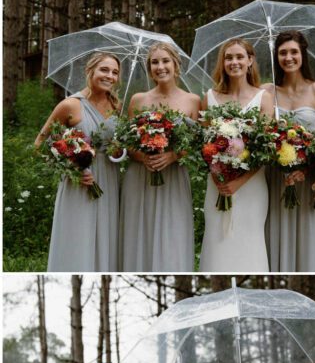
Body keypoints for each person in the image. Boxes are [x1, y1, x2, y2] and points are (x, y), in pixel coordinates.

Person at [36, 52, 121, 272]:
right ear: (89, 70)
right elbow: (40, 143)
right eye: (104, 69)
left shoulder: (116, 106)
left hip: (110, 179)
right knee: (78, 235)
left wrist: (118, 150)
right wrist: (73, 167)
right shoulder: (70, 105)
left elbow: (118, 147)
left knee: (106, 236)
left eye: (115, 72)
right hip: (78, 181)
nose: (110, 76)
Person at [120, 42, 199, 272]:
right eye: (155, 62)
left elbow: (197, 142)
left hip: (173, 177)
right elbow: (127, 141)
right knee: (139, 230)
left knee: (172, 231)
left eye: (165, 61)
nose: (160, 66)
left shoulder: (192, 100)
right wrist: (142, 157)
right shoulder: (138, 100)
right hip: (140, 177)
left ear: (176, 65)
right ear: (149, 68)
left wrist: (173, 155)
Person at [198, 38, 274, 272]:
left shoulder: (264, 98)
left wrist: (239, 181)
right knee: (217, 238)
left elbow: (265, 149)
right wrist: (219, 177)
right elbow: (204, 145)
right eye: (228, 57)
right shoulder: (209, 96)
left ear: (250, 61)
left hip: (251, 184)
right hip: (218, 183)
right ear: (222, 63)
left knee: (249, 242)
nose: (234, 62)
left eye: (239, 57)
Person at [263, 30, 315, 272]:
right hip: (276, 176)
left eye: (294, 52)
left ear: (303, 54)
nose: (288, 57)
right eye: (283, 53)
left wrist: (307, 166)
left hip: (308, 177)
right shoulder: (267, 91)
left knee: (308, 237)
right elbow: (261, 137)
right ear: (276, 57)